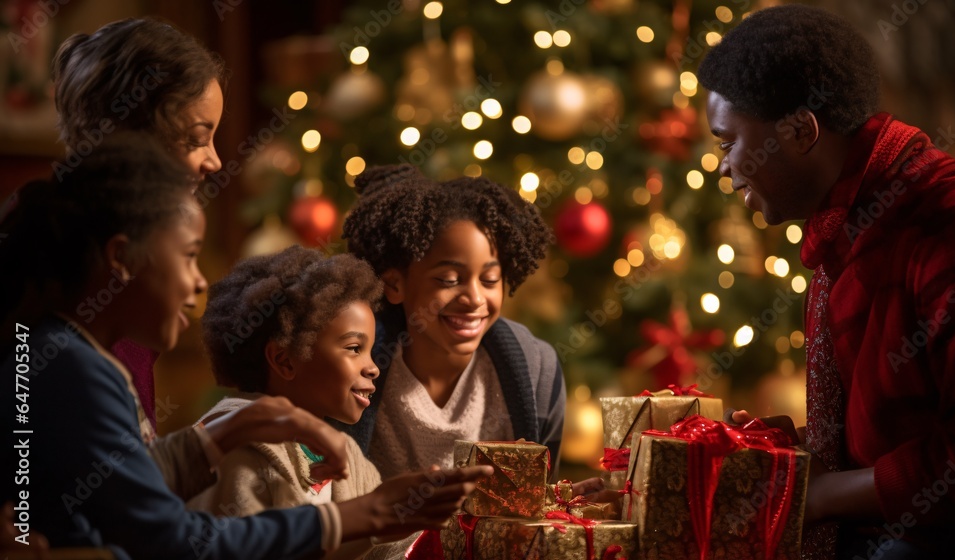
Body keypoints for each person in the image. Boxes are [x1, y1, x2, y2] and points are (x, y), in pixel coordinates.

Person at [0, 135, 487, 559]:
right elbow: (169, 539)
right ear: (122, 258)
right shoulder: (67, 368)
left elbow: (120, 490)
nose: (198, 283)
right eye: (189, 256)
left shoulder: (63, 353)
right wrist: (368, 513)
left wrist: (227, 431)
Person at [698, 5, 955, 558]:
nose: (722, 168)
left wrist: (823, 494)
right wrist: (801, 454)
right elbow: (897, 434)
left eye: (726, 143)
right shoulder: (845, 230)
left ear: (801, 130)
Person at [189, 247, 436, 558]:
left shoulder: (349, 459)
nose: (374, 367)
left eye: (371, 351)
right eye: (354, 347)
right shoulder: (238, 451)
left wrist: (420, 522)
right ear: (285, 360)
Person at [335, 164, 566, 482]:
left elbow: (541, 498)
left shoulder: (538, 371)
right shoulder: (353, 370)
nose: (474, 298)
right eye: (448, 279)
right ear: (394, 285)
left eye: (489, 278)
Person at [49, 17, 226, 428]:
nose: (215, 161)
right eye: (197, 139)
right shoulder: (84, 284)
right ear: (134, 139)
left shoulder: (130, 257)